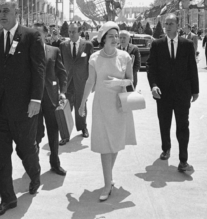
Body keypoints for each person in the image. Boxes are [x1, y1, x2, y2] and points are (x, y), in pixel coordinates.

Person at [0, 0, 45, 217]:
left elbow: (39, 69)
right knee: (1, 156)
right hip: (0, 109)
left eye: (6, 10)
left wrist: (36, 100)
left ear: (16, 12)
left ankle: (35, 174)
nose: (2, 15)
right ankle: (8, 199)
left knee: (26, 150)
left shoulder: (31, 36)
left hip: (24, 109)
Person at [78, 21, 136, 201]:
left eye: (117, 36)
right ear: (103, 39)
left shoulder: (125, 56)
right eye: (111, 36)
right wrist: (82, 103)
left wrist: (120, 84)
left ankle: (108, 178)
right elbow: (90, 82)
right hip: (101, 105)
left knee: (116, 142)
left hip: (119, 105)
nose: (115, 39)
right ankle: (106, 184)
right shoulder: (94, 58)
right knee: (105, 144)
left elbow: (130, 81)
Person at [147, 13, 199, 172]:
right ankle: (166, 148)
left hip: (182, 93)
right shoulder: (157, 45)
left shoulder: (187, 44)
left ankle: (183, 160)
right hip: (163, 93)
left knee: (183, 126)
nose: (168, 26)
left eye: (171, 23)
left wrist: (195, 90)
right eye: (166, 23)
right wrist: (153, 85)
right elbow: (151, 68)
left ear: (178, 26)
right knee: (164, 123)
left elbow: (192, 69)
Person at [33, 24, 67, 176]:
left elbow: (62, 73)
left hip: (51, 98)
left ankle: (55, 163)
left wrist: (63, 92)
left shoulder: (54, 50)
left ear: (46, 34)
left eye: (38, 33)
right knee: (35, 133)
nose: (36, 36)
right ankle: (34, 166)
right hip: (34, 100)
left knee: (53, 132)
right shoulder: (28, 51)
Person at [59, 23, 93, 145]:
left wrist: (91, 82)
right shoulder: (63, 45)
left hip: (81, 82)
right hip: (67, 83)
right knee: (65, 108)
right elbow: (60, 64)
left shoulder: (87, 45)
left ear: (80, 32)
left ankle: (83, 127)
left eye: (74, 32)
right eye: (69, 32)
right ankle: (65, 133)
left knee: (81, 105)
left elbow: (91, 65)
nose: (71, 34)